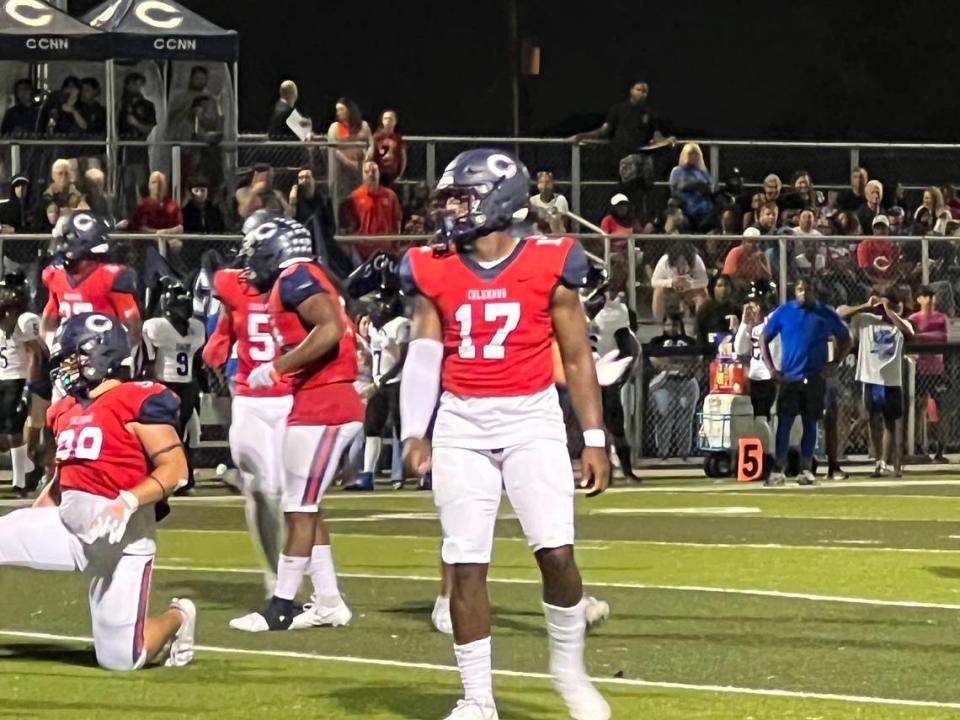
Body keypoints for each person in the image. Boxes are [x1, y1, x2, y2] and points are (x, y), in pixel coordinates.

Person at [399, 149, 610, 720]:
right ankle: (476, 699)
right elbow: (423, 353)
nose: (451, 210)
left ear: (499, 200)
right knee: (466, 563)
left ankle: (568, 672)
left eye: (462, 198)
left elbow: (576, 355)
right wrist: (414, 430)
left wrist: (593, 436)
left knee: (557, 555)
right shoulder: (433, 266)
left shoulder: (550, 261)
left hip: (531, 419)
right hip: (462, 423)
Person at [0, 312, 196, 671]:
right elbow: (65, 479)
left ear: (99, 353)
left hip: (122, 545)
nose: (64, 368)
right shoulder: (66, 409)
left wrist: (127, 501)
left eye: (71, 358)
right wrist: (37, 511)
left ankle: (178, 616)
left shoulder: (136, 399)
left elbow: (177, 470)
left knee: (122, 659)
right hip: (69, 531)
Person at [229, 216, 363, 633]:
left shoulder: (296, 275)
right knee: (305, 504)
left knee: (298, 508)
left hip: (328, 402)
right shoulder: (296, 278)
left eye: (255, 256)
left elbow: (330, 328)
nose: (250, 267)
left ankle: (281, 606)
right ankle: (328, 602)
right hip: (313, 399)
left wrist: (277, 366)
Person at [203, 236, 291, 595]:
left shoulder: (297, 286)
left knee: (286, 494)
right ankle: (275, 577)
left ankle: (309, 579)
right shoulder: (232, 285)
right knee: (266, 490)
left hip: (289, 397)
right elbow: (220, 332)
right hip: (252, 397)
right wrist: (221, 360)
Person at [761, 279, 852, 485]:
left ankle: (806, 469)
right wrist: (772, 368)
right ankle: (778, 469)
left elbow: (846, 337)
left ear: (814, 291)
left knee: (811, 424)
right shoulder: (784, 312)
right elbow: (764, 337)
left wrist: (835, 361)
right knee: (784, 423)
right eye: (800, 289)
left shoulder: (825, 313)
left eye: (808, 289)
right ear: (795, 291)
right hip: (790, 378)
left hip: (814, 377)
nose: (804, 293)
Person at [40, 212, 141, 349]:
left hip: (103, 354)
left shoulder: (111, 276)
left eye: (63, 240)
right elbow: (49, 320)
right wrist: (48, 348)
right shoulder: (55, 275)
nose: (59, 246)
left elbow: (132, 325)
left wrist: (127, 357)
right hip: (68, 355)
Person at [839, 291, 913, 477]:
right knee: (873, 419)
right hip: (870, 379)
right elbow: (839, 312)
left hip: (891, 380)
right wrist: (866, 305)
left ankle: (888, 462)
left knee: (891, 422)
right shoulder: (865, 320)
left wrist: (891, 312)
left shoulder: (900, 324)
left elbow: (909, 333)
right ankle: (878, 460)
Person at [141, 281, 206, 493]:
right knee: (166, 433)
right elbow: (148, 360)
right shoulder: (156, 327)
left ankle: (183, 476)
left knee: (184, 433)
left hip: (186, 386)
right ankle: (166, 474)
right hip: (164, 384)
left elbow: (197, 360)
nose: (185, 310)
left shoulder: (195, 328)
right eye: (181, 305)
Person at [344, 293, 409, 492]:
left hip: (397, 383)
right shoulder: (374, 327)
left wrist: (382, 379)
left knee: (402, 430)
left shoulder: (401, 324)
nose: (374, 310)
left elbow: (403, 358)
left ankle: (414, 474)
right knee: (372, 428)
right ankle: (367, 475)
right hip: (378, 382)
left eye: (379, 305)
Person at [0, 281, 42, 495]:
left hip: (16, 379)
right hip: (1, 380)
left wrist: (30, 383)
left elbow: (36, 352)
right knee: (4, 440)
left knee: (14, 431)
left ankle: (20, 482)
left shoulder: (23, 323)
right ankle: (27, 466)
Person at [646, 312, 700, 460]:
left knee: (685, 420)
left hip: (686, 382)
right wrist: (675, 363)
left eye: (675, 325)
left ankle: (684, 454)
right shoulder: (657, 341)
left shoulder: (689, 341)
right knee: (664, 418)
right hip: (664, 383)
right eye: (668, 324)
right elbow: (655, 361)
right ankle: (663, 454)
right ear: (663, 326)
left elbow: (695, 360)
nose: (671, 328)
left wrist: (671, 360)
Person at [908, 286, 949, 462]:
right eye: (925, 296)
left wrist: (922, 336)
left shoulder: (942, 318)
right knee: (918, 407)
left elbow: (945, 336)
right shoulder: (913, 319)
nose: (930, 299)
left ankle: (941, 448)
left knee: (942, 409)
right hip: (919, 370)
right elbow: (910, 336)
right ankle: (917, 445)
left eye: (932, 296)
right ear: (919, 300)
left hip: (937, 370)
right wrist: (925, 336)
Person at [341, 161, 403, 256]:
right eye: (367, 171)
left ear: (379, 173)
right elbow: (347, 226)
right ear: (362, 175)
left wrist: (396, 243)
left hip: (385, 247)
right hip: (362, 250)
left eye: (374, 170)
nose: (371, 174)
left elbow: (397, 221)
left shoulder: (390, 196)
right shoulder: (354, 197)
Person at [327, 97, 373, 202]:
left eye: (341, 109)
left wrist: (367, 157)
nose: (338, 112)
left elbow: (371, 144)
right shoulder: (335, 127)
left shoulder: (363, 126)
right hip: (342, 173)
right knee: (344, 202)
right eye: (337, 109)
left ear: (350, 110)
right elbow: (333, 149)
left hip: (360, 170)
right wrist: (348, 162)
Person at [650, 241, 709, 321]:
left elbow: (704, 281)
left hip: (689, 291)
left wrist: (690, 284)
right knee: (658, 291)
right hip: (671, 290)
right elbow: (654, 281)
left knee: (702, 292)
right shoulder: (664, 261)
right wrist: (671, 282)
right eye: (678, 262)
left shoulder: (697, 260)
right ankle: (659, 322)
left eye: (684, 263)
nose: (681, 267)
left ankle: (701, 322)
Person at [668, 143, 714, 230]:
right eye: (690, 154)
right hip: (686, 207)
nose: (693, 156)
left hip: (704, 208)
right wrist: (694, 185)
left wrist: (696, 186)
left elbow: (709, 189)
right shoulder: (677, 171)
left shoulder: (703, 172)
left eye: (695, 154)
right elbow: (675, 190)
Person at [722, 227, 771, 293]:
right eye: (750, 242)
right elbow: (728, 276)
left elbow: (768, 277)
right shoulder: (735, 252)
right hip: (737, 287)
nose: (753, 245)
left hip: (756, 287)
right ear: (743, 242)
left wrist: (759, 262)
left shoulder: (761, 255)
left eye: (756, 242)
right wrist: (745, 284)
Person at [369, 109, 407, 187]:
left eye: (390, 118)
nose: (388, 121)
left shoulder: (398, 138)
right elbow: (371, 154)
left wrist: (400, 174)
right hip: (379, 173)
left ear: (395, 121)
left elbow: (403, 157)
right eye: (385, 118)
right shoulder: (376, 137)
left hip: (392, 173)